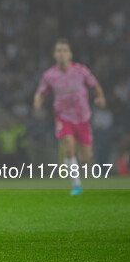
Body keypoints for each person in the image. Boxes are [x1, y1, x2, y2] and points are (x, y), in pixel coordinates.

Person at [33, 38, 106, 195]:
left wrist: (100, 97)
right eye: (58, 50)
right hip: (63, 117)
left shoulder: (81, 70)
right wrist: (37, 103)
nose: (61, 53)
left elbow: (95, 85)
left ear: (70, 54)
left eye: (65, 50)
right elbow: (40, 92)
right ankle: (76, 185)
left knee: (85, 157)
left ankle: (82, 167)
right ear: (54, 54)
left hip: (82, 117)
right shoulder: (49, 75)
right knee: (68, 145)